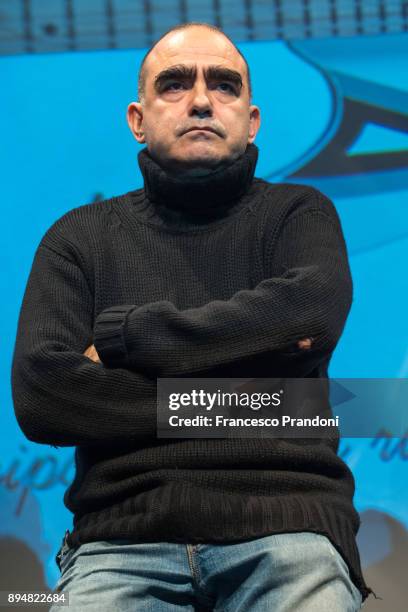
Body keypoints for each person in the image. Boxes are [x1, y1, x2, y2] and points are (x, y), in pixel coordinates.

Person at [11, 21, 375, 611]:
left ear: (251, 120)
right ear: (138, 119)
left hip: (287, 531)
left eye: (225, 86)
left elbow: (308, 315)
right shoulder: (76, 238)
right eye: (175, 84)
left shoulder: (299, 215)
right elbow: (44, 397)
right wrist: (252, 398)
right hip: (119, 544)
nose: (201, 99)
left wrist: (124, 338)